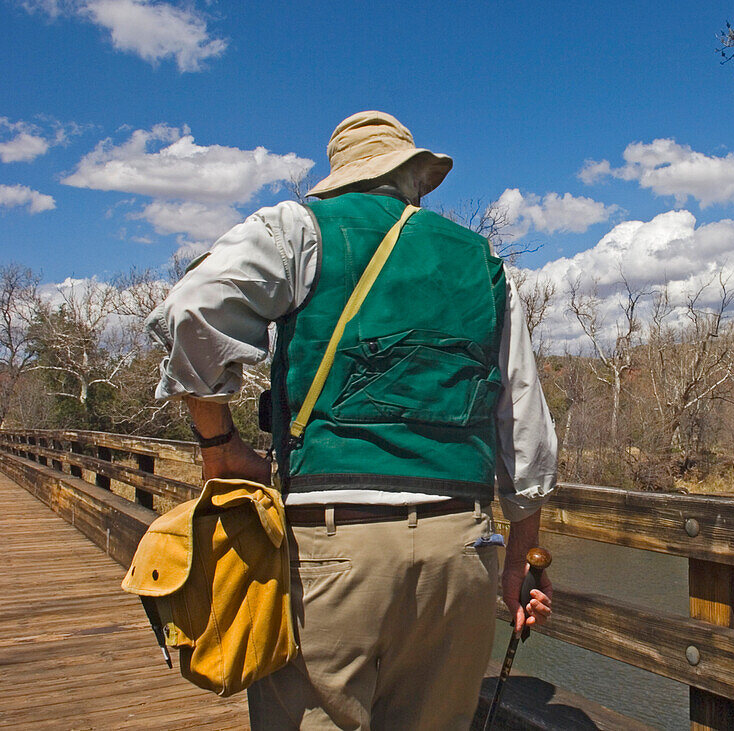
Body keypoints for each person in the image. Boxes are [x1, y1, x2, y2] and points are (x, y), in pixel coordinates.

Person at [146, 111, 557, 729]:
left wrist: (219, 445)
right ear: (413, 178)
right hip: (462, 549)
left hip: (333, 548)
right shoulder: (483, 265)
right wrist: (518, 559)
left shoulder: (300, 231)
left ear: (341, 177)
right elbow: (525, 426)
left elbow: (192, 311)